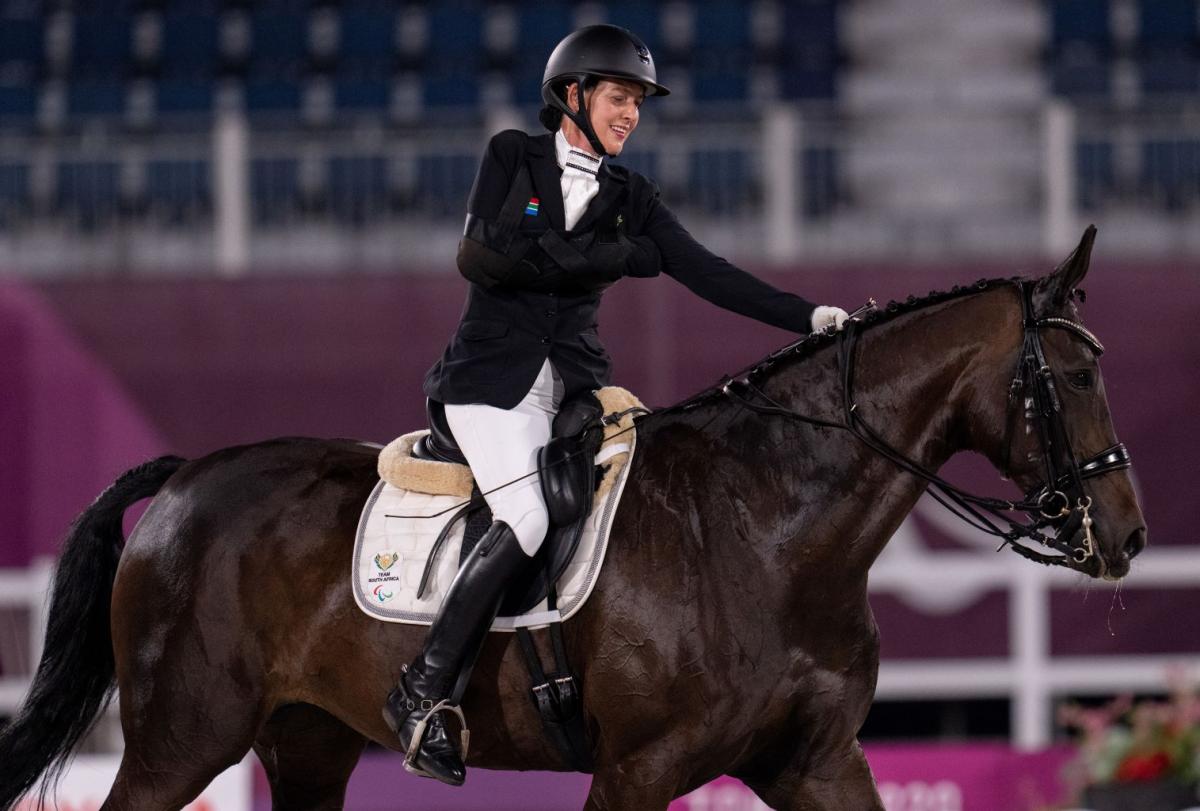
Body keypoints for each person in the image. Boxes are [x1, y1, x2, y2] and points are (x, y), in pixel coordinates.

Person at [382, 24, 850, 785]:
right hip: (488, 383)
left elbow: (706, 270)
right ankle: (423, 691)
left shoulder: (632, 194)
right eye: (619, 97)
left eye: (638, 102)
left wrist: (808, 318)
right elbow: (481, 257)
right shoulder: (513, 156)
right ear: (573, 95)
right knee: (527, 515)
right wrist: (613, 256)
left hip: (571, 389)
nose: (631, 113)